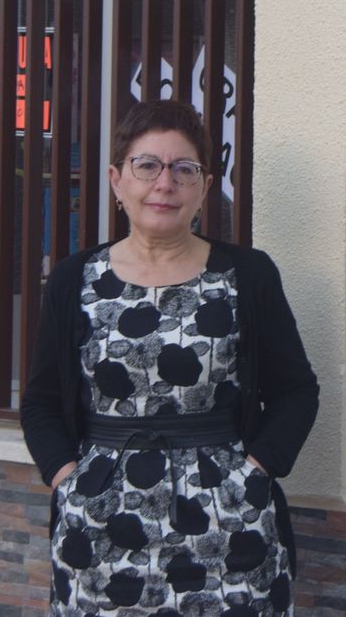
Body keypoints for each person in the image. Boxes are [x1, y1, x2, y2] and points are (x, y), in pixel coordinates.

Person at [21, 98, 319, 615]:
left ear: (204, 187)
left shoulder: (246, 275)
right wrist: (67, 482)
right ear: (117, 181)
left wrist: (253, 475)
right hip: (99, 521)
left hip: (227, 519)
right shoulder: (75, 279)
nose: (165, 183)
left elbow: (296, 390)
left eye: (185, 169)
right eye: (147, 166)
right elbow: (42, 401)